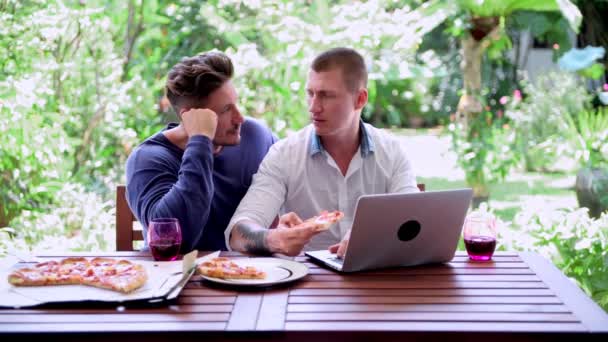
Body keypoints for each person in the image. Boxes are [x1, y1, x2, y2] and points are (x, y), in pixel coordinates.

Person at [225, 47, 419, 257]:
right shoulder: (284, 154)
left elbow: (414, 220)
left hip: (374, 280)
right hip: (305, 282)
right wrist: (276, 239)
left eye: (326, 96)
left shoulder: (392, 151)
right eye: (310, 94)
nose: (314, 107)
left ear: (360, 99)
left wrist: (375, 235)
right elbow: (238, 232)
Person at [126, 51, 276, 252]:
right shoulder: (149, 159)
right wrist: (200, 141)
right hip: (179, 277)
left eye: (236, 104)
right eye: (225, 110)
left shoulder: (255, 137)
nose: (239, 118)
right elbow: (172, 241)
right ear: (190, 117)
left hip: (251, 274)